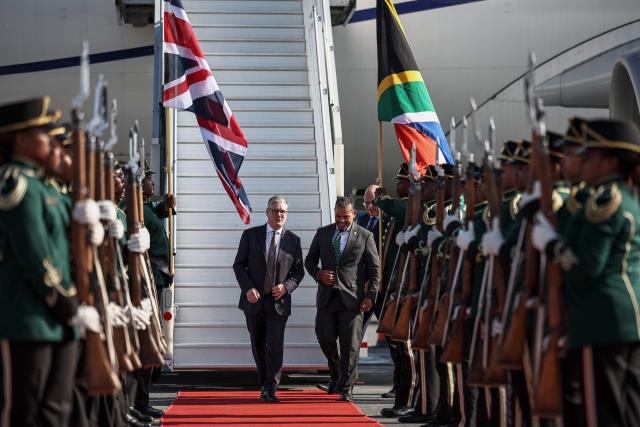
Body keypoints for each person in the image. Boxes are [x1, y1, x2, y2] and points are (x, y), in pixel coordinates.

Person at [0, 97, 81, 426]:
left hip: (57, 313)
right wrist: (58, 296)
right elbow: (34, 251)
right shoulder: (16, 185)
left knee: (56, 408)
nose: (51, 141)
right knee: (30, 410)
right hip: (31, 315)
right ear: (20, 139)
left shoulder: (40, 187)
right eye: (42, 134)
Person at [305, 196, 380, 402]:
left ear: (354, 214)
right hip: (327, 297)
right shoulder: (323, 233)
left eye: (345, 217)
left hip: (352, 299)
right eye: (338, 217)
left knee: (350, 345)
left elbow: (375, 269)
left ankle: (346, 387)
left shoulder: (365, 236)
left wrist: (371, 296)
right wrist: (318, 274)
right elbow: (309, 260)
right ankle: (337, 374)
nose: (341, 221)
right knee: (325, 338)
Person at [233, 195, 304, 403]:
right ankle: (264, 383)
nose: (279, 214)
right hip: (254, 301)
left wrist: (286, 287)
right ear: (267, 212)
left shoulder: (293, 240)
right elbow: (239, 265)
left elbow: (298, 272)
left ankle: (271, 388)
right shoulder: (251, 235)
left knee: (275, 345)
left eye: (283, 211)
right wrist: (248, 288)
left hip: (278, 302)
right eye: (275, 210)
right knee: (258, 344)